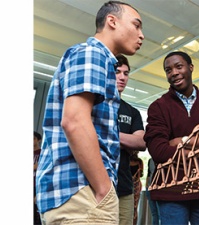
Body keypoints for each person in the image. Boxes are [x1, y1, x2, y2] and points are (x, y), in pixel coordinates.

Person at [35, 1, 144, 224]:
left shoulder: (98, 59)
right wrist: (104, 188)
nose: (141, 35)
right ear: (111, 21)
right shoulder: (93, 53)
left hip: (79, 192)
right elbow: (74, 121)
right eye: (136, 25)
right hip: (82, 191)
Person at [143, 51, 199, 225]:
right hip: (171, 191)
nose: (174, 73)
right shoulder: (158, 107)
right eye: (168, 70)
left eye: (179, 66)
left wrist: (181, 141)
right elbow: (159, 151)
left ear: (191, 68)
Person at [115, 54, 146, 225]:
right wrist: (127, 141)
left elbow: (141, 143)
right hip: (94, 184)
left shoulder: (132, 111)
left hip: (124, 186)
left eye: (126, 73)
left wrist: (106, 135)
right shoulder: (94, 103)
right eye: (117, 72)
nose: (122, 77)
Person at [129, 152, 144, 225]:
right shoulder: (139, 162)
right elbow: (141, 174)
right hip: (136, 185)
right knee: (134, 208)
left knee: (132, 208)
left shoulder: (126, 160)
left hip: (132, 185)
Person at [145, 158, 159, 225]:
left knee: (160, 213)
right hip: (150, 189)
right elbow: (148, 174)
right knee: (154, 213)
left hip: (159, 189)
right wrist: (147, 188)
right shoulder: (150, 160)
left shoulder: (162, 158)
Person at [33, 131, 42, 225]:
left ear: (38, 140)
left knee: (36, 210)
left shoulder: (41, 153)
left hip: (36, 184)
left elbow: (40, 167)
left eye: (33, 138)